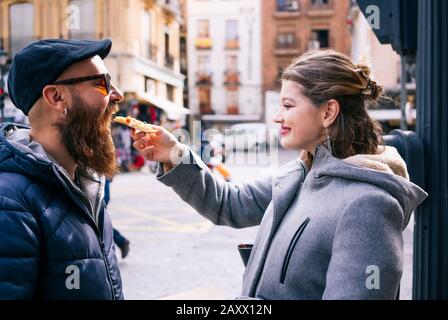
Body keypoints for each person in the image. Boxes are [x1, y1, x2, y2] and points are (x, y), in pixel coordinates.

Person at [132, 50, 428, 300]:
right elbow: (228, 204)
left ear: (328, 112)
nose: (277, 116)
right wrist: (174, 154)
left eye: (288, 105)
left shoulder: (368, 205)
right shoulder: (298, 173)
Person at [0, 39, 124, 299]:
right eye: (102, 82)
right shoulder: (9, 203)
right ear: (57, 97)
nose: (117, 94)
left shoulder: (86, 185)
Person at [104, 178, 131, 259]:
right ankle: (121, 241)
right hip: (99, 185)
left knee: (97, 222)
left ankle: (121, 241)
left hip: (97, 187)